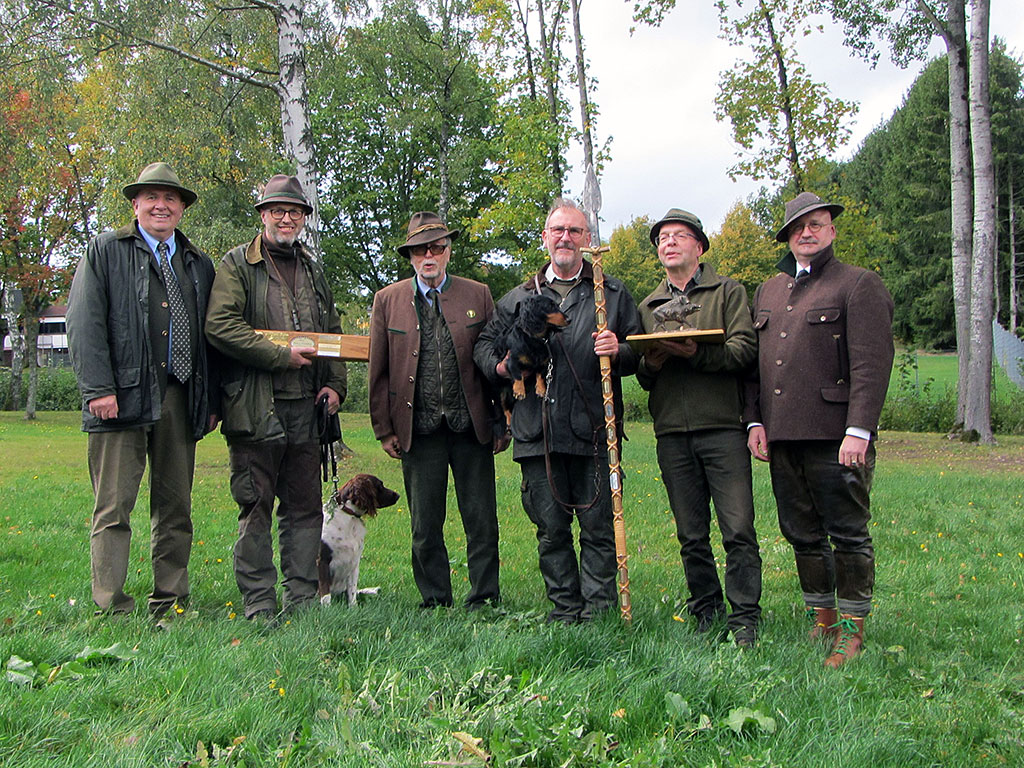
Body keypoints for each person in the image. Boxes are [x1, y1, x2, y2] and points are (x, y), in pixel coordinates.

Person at [475, 198, 642, 624]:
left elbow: (640, 353)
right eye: (558, 230)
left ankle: (600, 612)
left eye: (575, 231)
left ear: (586, 240)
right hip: (538, 431)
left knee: (599, 526)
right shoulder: (520, 296)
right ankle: (565, 609)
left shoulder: (612, 293)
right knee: (550, 529)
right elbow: (483, 345)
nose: (566, 238)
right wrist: (502, 366)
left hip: (594, 429)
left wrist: (618, 349)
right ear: (546, 238)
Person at [745, 191, 894, 667]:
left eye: (816, 224)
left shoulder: (858, 284)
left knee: (848, 533)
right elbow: (756, 368)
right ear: (788, 238)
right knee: (801, 533)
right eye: (797, 227)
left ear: (831, 230)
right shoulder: (768, 291)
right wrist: (755, 421)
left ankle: (852, 630)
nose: (806, 233)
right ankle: (822, 618)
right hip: (783, 435)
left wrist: (860, 430)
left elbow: (872, 364)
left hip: (836, 436)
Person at [67, 162, 219, 620]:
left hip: (178, 396)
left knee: (175, 506)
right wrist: (98, 388)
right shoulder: (105, 251)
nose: (161, 205)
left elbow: (211, 337)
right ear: (135, 205)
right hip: (119, 398)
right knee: (113, 508)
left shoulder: (197, 264)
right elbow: (83, 323)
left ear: (182, 209)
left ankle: (170, 600)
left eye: (170, 198)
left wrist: (207, 400)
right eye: (152, 197)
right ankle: (110, 604)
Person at [205, 174, 347, 620]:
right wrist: (278, 356)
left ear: (303, 218)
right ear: (263, 215)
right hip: (255, 408)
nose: (286, 218)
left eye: (295, 212)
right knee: (255, 506)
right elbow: (220, 325)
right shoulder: (236, 266)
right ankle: (260, 602)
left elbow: (333, 335)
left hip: (307, 409)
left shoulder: (312, 269)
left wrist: (335, 384)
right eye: (277, 211)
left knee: (304, 510)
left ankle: (302, 599)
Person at [636, 208, 761, 647]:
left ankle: (745, 618)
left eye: (679, 236)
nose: (668, 243)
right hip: (671, 432)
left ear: (699, 246)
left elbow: (745, 350)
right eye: (662, 238)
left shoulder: (727, 292)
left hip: (723, 428)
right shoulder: (648, 306)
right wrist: (650, 361)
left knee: (738, 528)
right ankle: (706, 611)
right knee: (691, 534)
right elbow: (643, 374)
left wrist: (696, 353)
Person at [369, 212, 504, 609]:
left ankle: (485, 596)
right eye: (419, 249)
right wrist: (383, 429)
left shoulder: (477, 294)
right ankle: (435, 599)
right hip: (418, 429)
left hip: (471, 427)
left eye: (437, 247)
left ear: (448, 251)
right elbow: (378, 371)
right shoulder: (387, 300)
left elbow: (494, 358)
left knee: (482, 522)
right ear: (409, 255)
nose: (429, 255)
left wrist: (501, 420)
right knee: (425, 526)